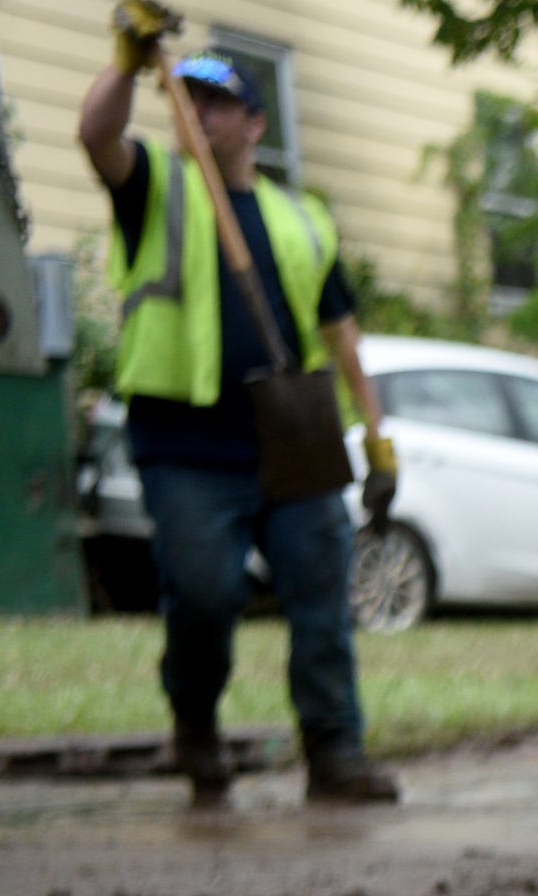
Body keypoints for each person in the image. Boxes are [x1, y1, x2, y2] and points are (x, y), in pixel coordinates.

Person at [77, 1, 399, 804]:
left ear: (254, 124)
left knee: (320, 599)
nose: (197, 112)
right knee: (205, 596)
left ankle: (336, 754)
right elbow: (95, 135)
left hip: (295, 439)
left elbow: (342, 335)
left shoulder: (303, 219)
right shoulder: (155, 186)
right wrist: (127, 61)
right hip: (185, 445)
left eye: (216, 102)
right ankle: (195, 727)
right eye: (186, 97)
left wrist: (377, 440)